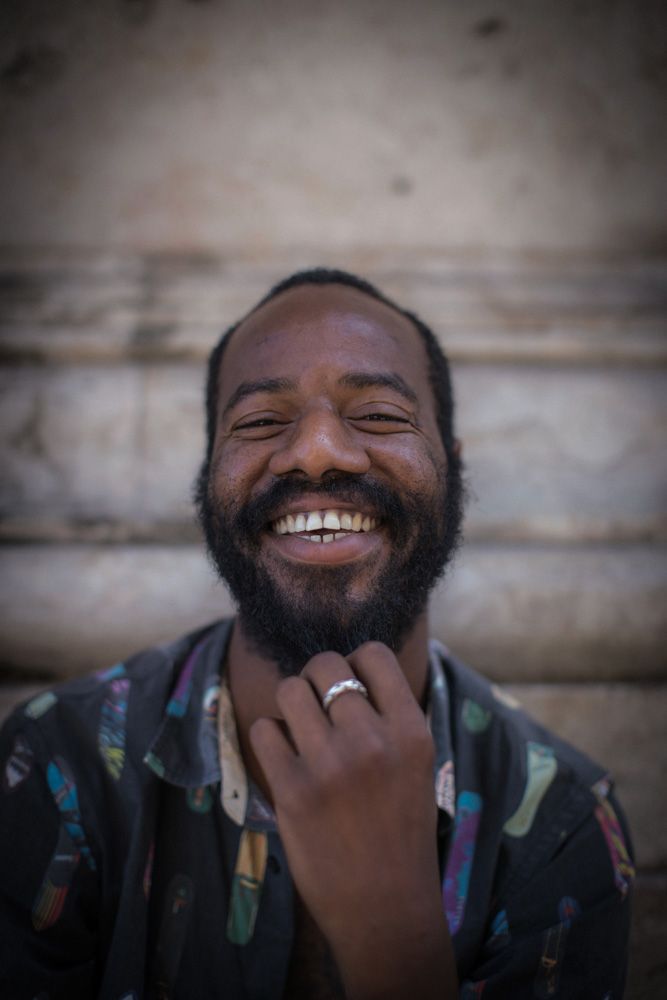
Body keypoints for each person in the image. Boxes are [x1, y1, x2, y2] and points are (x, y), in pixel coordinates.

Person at [0, 269, 634, 998]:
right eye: (261, 421)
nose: (317, 451)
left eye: (379, 414)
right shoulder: (57, 770)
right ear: (210, 476)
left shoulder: (559, 824)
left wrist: (393, 940)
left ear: (453, 470)